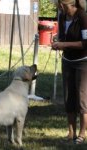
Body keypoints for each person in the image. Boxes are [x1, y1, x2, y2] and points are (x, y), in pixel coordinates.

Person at [51, 0, 87, 144]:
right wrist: (58, 41)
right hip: (67, 61)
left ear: (70, 4)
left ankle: (82, 134)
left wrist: (64, 44)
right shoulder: (61, 16)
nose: (59, 7)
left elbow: (86, 43)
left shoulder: (83, 16)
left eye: (61, 5)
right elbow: (62, 36)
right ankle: (71, 133)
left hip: (83, 62)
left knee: (82, 99)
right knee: (69, 97)